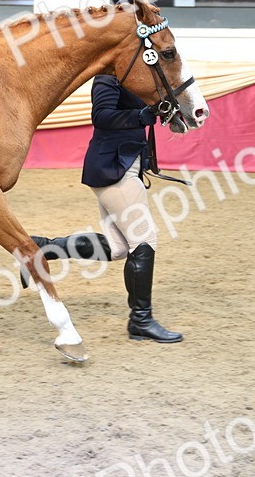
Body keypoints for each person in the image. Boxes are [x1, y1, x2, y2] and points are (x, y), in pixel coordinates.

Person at [30, 74, 182, 343]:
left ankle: (43, 248)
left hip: (124, 165)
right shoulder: (108, 78)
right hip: (115, 169)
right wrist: (140, 116)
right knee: (143, 239)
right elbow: (101, 116)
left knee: (118, 248)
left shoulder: (133, 78)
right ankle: (141, 320)